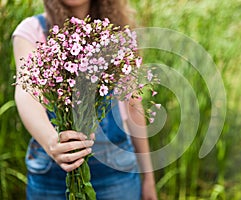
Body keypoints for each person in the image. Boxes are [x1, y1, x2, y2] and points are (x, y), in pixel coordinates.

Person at [12, 0, 157, 199]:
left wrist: (148, 177)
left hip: (117, 171)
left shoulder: (117, 33)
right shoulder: (33, 31)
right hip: (51, 174)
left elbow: (133, 103)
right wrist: (52, 142)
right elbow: (26, 93)